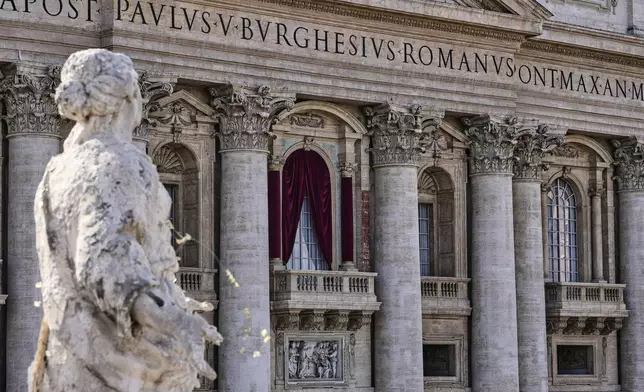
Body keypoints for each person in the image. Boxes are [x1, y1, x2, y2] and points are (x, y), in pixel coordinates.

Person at [28, 48, 222, 392]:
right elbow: (108, 266)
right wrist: (176, 321)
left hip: (71, 351)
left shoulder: (55, 169)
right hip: (123, 363)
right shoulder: (119, 162)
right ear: (128, 98)